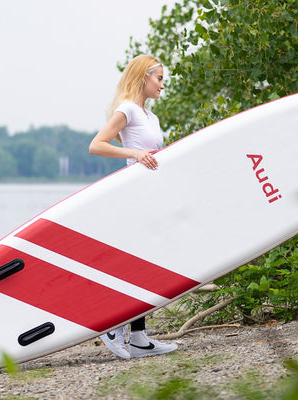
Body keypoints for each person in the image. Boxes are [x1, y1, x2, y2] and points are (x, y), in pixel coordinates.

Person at [89, 54, 178, 359]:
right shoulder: (127, 109)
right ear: (144, 77)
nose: (163, 85)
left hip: (152, 194)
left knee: (150, 265)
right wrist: (136, 155)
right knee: (137, 265)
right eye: (160, 78)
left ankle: (138, 336)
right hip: (134, 193)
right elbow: (97, 144)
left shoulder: (150, 117)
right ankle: (114, 326)